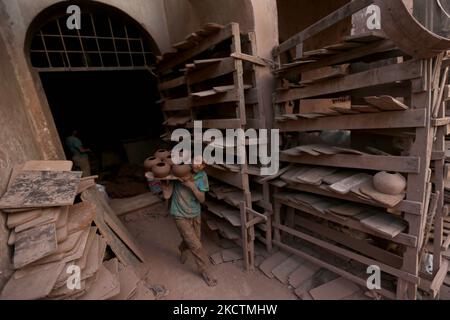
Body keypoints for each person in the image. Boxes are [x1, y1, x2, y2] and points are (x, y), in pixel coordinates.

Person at [161, 156, 218, 287]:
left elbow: (202, 199)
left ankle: (182, 248)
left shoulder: (202, 176)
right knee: (196, 246)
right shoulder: (178, 172)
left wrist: (191, 186)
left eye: (203, 164)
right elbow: (167, 195)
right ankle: (206, 273)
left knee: (194, 240)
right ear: (191, 160)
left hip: (195, 213)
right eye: (197, 161)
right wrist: (165, 184)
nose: (199, 166)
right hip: (179, 213)